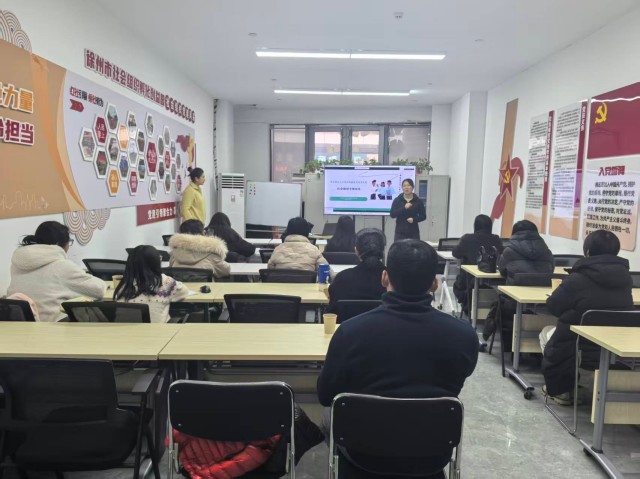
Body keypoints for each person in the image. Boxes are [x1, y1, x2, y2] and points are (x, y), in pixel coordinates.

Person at [317, 240, 478, 477]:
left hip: (363, 453)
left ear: (384, 278)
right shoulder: (464, 336)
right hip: (431, 454)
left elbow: (325, 394)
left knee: (327, 414)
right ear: (434, 283)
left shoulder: (350, 332)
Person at [540, 230, 633, 405]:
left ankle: (563, 390)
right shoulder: (626, 278)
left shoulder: (577, 279)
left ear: (588, 252)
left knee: (545, 332)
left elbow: (553, 307)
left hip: (579, 348)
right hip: (614, 347)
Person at [7, 221, 106, 322]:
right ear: (59, 244)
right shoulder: (62, 266)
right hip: (56, 327)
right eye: (69, 242)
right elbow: (99, 290)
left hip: (20, 327)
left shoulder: (17, 265)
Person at [483, 219, 554, 345]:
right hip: (544, 308)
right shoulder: (547, 252)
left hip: (513, 306)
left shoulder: (509, 251)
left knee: (498, 302)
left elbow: (502, 271)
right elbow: (551, 270)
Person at [115, 245, 190, 323]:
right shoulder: (166, 282)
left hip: (123, 330)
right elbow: (184, 292)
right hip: (157, 330)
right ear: (156, 262)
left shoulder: (124, 285)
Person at [326, 228, 386, 313]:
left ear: (356, 251)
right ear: (384, 250)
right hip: (387, 322)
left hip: (347, 322)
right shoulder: (394, 278)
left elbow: (332, 311)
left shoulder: (342, 278)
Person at [452, 214, 504, 309]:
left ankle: (467, 307)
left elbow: (455, 253)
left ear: (475, 226)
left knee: (459, 283)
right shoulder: (496, 240)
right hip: (493, 284)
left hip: (468, 283)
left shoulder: (467, 239)